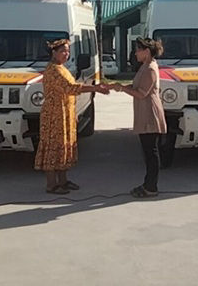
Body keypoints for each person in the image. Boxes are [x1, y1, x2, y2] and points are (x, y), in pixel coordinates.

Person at [35, 38, 109, 194]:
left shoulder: (62, 68)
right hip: (54, 114)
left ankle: (63, 181)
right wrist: (95, 88)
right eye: (63, 51)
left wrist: (73, 112)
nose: (66, 54)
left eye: (68, 51)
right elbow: (70, 88)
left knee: (64, 145)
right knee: (53, 147)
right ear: (54, 53)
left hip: (64, 112)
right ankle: (51, 184)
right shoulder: (53, 70)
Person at [112, 37, 167, 198]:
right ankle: (147, 183)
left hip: (150, 112)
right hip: (144, 111)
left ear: (147, 51)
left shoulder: (150, 68)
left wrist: (123, 89)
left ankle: (151, 187)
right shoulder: (144, 66)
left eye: (138, 50)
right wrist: (119, 87)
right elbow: (136, 86)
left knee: (151, 152)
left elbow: (142, 93)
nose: (135, 53)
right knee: (147, 151)